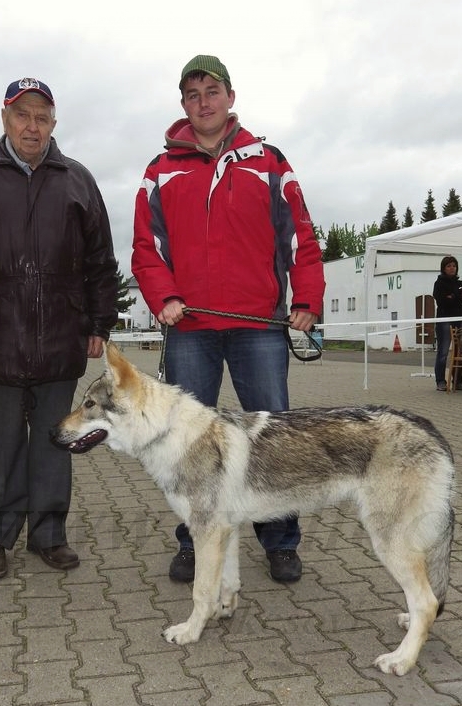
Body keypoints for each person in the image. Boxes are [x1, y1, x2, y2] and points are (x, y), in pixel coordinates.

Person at [131, 55, 325, 584]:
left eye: (211, 91)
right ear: (184, 106)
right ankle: (195, 541)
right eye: (192, 95)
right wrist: (163, 296)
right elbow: (145, 249)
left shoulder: (269, 161)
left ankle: (281, 541)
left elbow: (299, 237)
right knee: (187, 442)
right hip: (190, 327)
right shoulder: (160, 169)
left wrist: (306, 299)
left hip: (259, 325)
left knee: (275, 438)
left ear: (230, 96)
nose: (203, 102)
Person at [0, 77, 119, 581]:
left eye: (41, 117)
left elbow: (101, 259)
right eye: (22, 115)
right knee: (1, 444)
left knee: (56, 441)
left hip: (61, 337)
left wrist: (100, 320)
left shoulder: (77, 179)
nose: (31, 126)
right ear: (5, 118)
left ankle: (49, 535)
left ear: (53, 124)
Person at [432, 255, 462, 391]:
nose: (452, 268)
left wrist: (453, 296)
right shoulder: (439, 283)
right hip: (445, 320)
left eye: (454, 266)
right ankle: (440, 381)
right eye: (449, 266)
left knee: (459, 350)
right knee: (443, 351)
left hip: (460, 319)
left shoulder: (460, 283)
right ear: (444, 268)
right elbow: (442, 301)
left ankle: (457, 380)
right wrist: (458, 296)